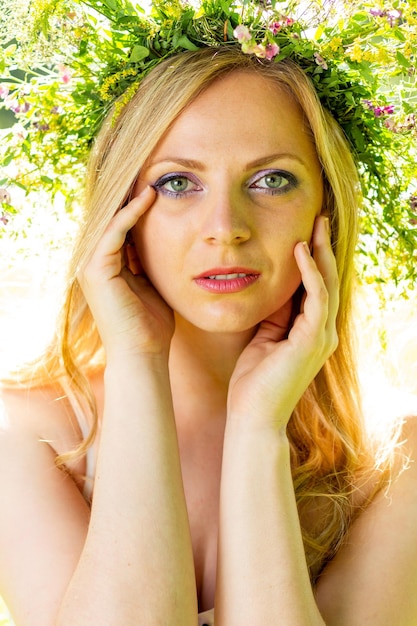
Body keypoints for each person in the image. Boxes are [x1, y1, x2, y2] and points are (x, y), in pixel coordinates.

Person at [0, 42, 416, 626]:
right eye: (176, 183)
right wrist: (137, 361)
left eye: (272, 179)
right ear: (120, 213)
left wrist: (256, 432)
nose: (226, 229)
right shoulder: (26, 434)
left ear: (328, 209)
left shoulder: (395, 464)